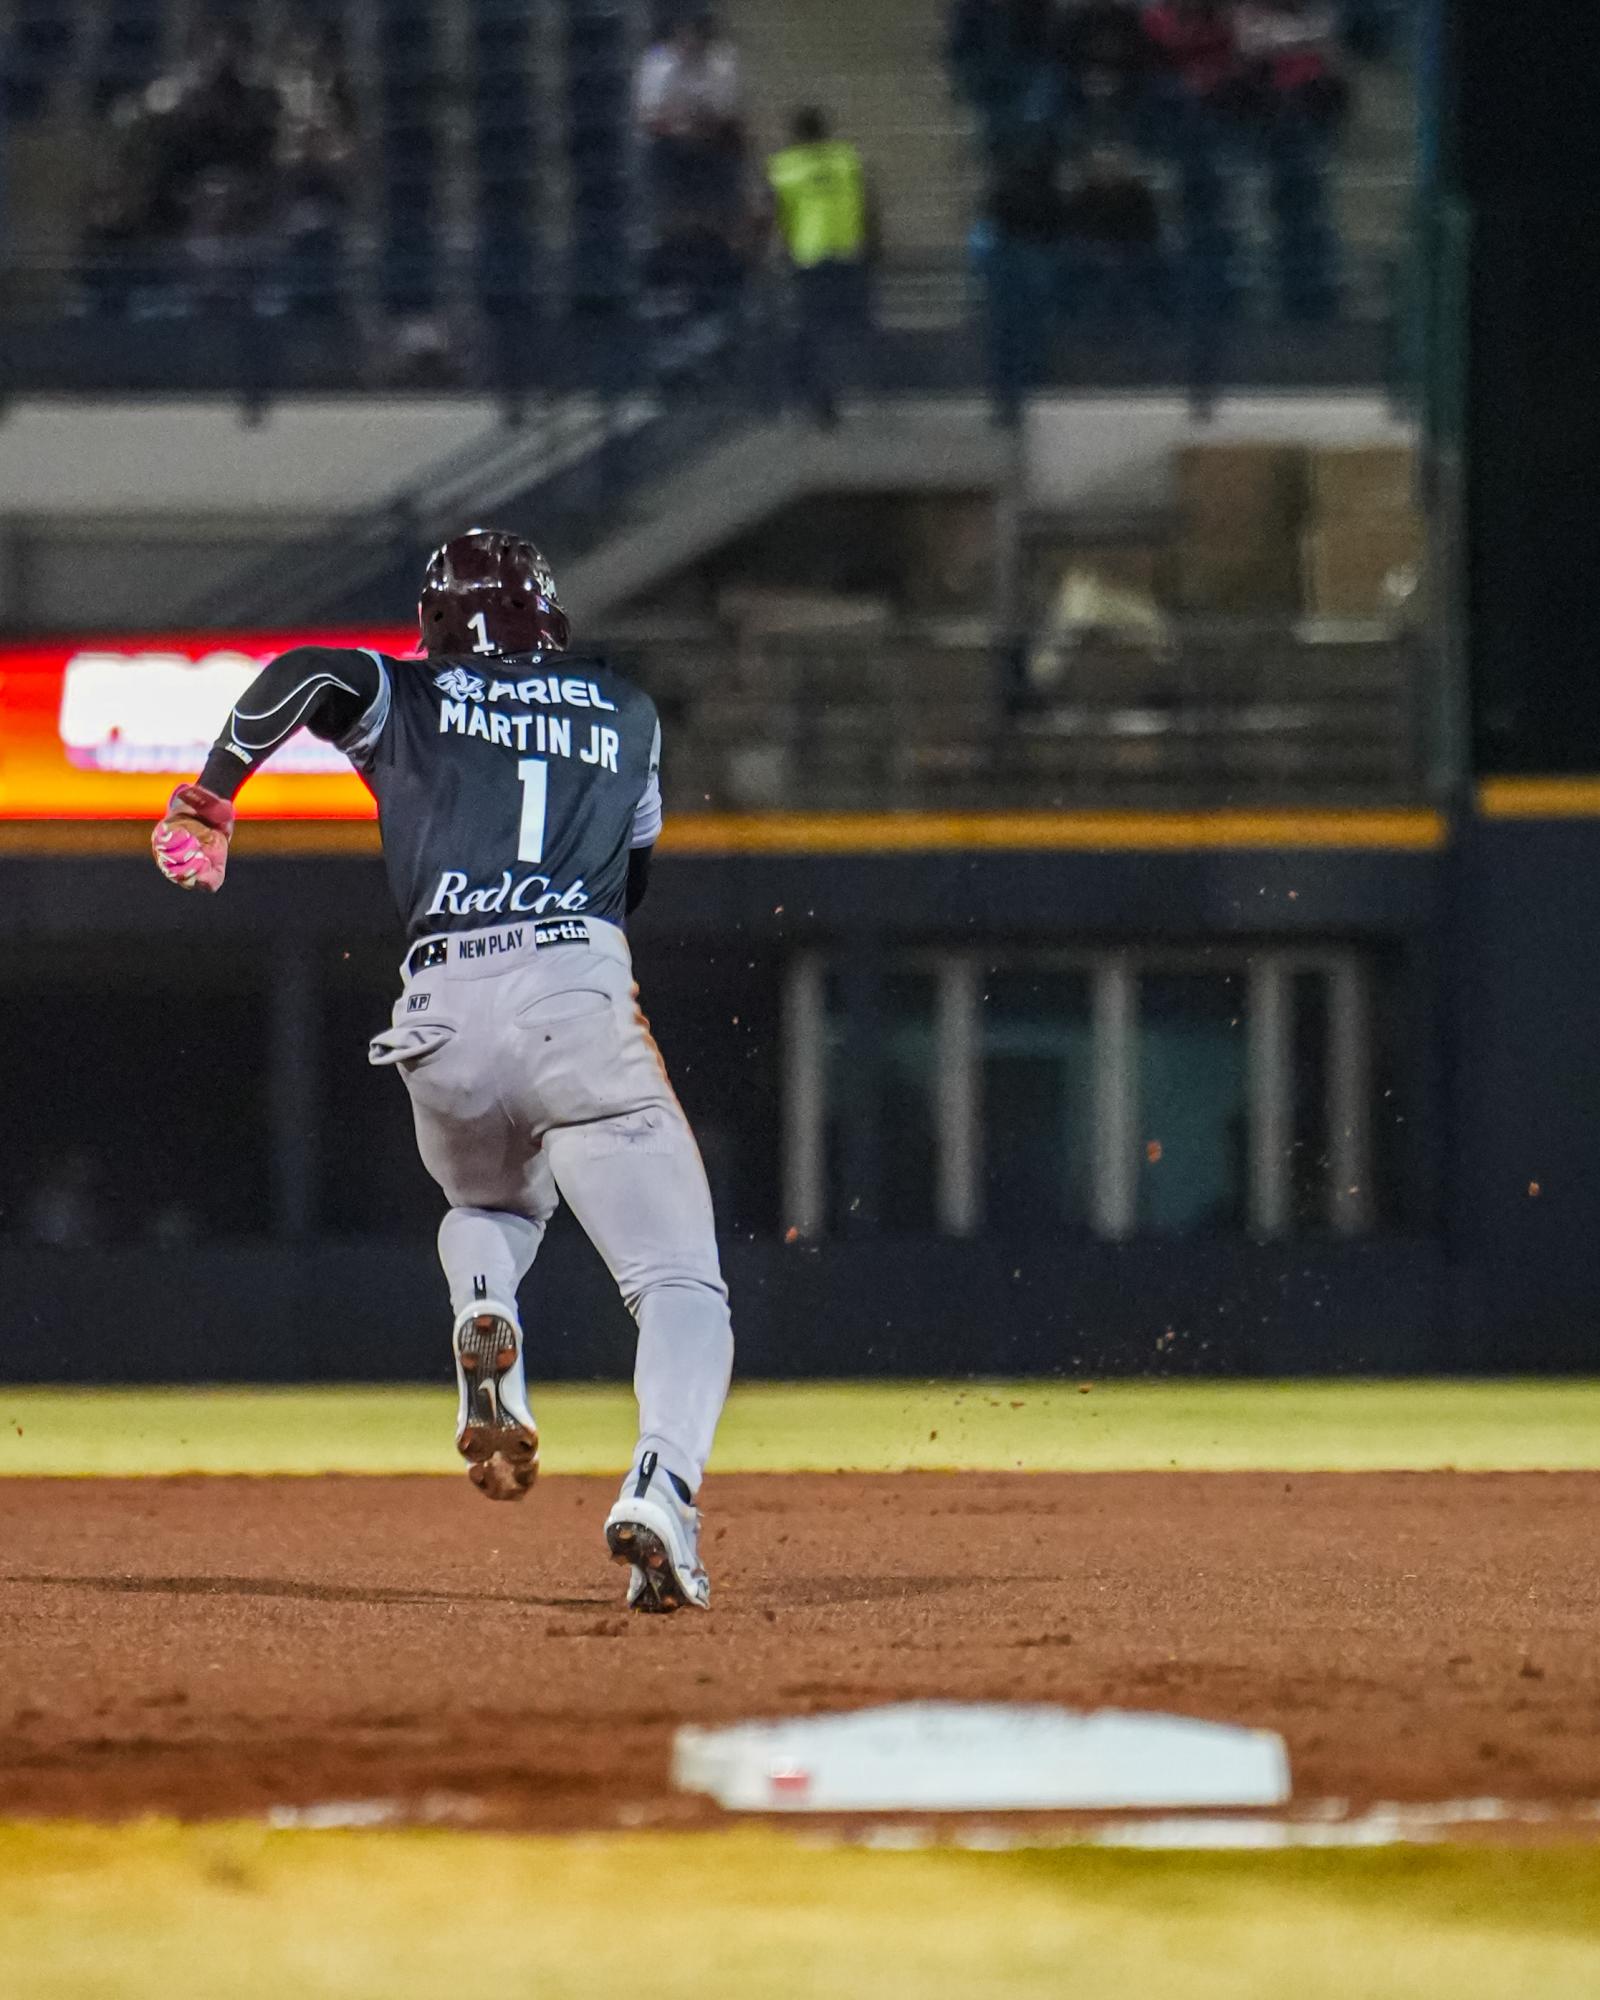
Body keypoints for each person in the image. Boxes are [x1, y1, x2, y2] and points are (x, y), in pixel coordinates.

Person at [149, 531, 734, 1615]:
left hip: (440, 1004)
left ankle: (483, 1306)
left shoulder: (406, 693)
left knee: (486, 1199)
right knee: (678, 1285)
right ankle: (662, 1489)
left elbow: (307, 671)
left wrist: (214, 792)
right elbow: (631, 879)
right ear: (545, 615)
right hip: (573, 981)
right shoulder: (627, 709)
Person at [765, 107, 876, 426]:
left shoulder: (785, 167)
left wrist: (779, 251)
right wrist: (872, 243)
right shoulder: (847, 160)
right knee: (834, 330)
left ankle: (817, 395)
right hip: (845, 253)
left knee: (811, 331)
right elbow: (868, 203)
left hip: (809, 256)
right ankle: (826, 395)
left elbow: (777, 213)